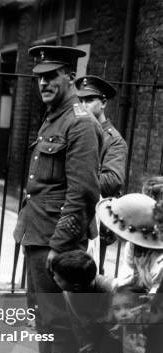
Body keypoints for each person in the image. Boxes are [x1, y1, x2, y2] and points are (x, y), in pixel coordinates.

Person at [3, 45, 103, 353]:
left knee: (59, 320)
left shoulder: (79, 123)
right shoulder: (55, 117)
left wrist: (61, 245)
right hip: (38, 232)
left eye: (52, 75)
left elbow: (83, 193)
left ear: (70, 78)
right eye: (40, 76)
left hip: (56, 239)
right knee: (45, 315)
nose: (43, 82)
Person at [75, 75, 128, 273]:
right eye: (80, 100)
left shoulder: (114, 141)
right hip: (69, 217)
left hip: (95, 222)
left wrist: (76, 176)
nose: (83, 105)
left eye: (89, 100)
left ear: (103, 103)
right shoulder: (76, 131)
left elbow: (112, 181)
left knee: (88, 281)